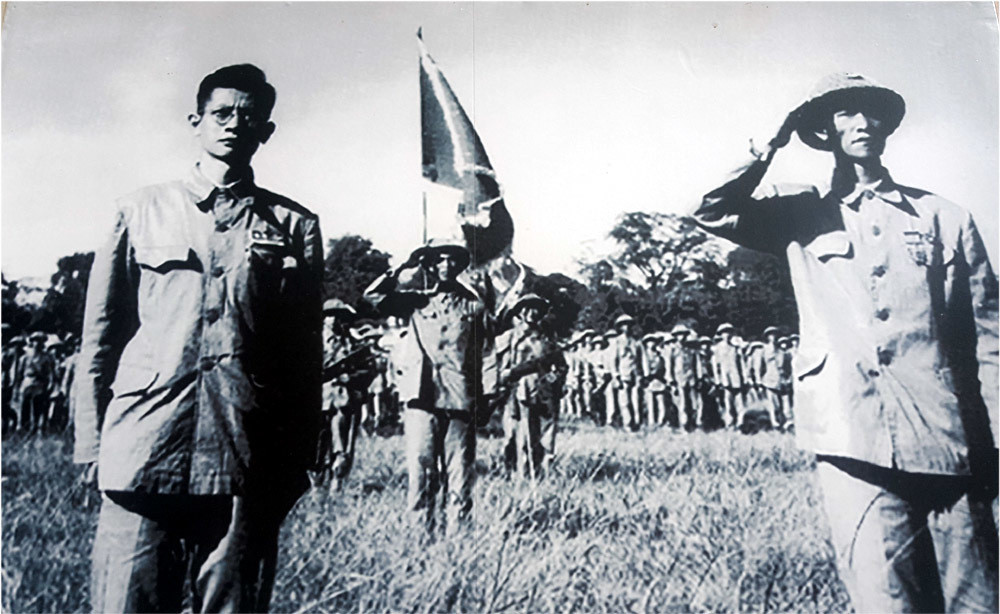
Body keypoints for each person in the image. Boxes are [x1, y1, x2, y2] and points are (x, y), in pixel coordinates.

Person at [695, 72, 998, 613]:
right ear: (821, 129)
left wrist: (994, 438)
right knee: (885, 602)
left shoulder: (944, 217)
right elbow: (713, 208)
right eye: (843, 113)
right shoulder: (797, 213)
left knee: (975, 600)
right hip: (850, 435)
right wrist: (771, 140)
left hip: (949, 438)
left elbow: (988, 338)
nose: (861, 123)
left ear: (887, 125)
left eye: (871, 112)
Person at [73, 64, 323, 613]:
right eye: (221, 113)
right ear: (197, 121)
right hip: (145, 444)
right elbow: (100, 338)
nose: (234, 125)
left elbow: (305, 355)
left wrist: (298, 455)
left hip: (244, 449)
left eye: (248, 116)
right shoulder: (140, 211)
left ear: (266, 131)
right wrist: (92, 444)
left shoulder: (295, 225)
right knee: (126, 604)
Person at [365, 238, 488, 534]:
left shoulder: (474, 305)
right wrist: (403, 267)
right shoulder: (415, 300)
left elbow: (484, 352)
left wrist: (483, 398)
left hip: (459, 397)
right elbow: (372, 297)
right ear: (429, 265)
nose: (445, 265)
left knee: (460, 472)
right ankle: (421, 537)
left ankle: (459, 538)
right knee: (421, 469)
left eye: (451, 260)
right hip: (422, 397)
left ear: (459, 266)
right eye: (438, 260)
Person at [496, 294, 566, 478]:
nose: (531, 312)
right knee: (514, 436)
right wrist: (503, 379)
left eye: (536, 308)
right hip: (515, 391)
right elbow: (495, 364)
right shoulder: (509, 337)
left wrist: (550, 380)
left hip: (543, 392)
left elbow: (561, 366)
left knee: (543, 435)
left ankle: (539, 474)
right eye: (526, 307)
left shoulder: (548, 339)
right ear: (519, 312)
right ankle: (511, 471)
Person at [18, 332, 55, 434]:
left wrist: (50, 384)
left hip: (39, 383)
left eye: (40, 341)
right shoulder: (25, 357)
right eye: (35, 341)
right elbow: (19, 373)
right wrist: (17, 387)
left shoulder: (47, 357)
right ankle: (24, 428)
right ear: (32, 342)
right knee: (24, 407)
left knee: (37, 407)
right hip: (27, 382)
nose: (37, 343)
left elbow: (51, 372)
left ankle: (35, 428)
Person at [712, 323, 744, 429]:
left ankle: (740, 423)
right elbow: (715, 366)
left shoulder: (735, 348)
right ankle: (729, 423)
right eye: (724, 332)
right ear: (720, 335)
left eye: (729, 332)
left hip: (736, 378)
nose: (727, 335)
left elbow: (741, 364)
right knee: (728, 402)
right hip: (725, 379)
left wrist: (745, 377)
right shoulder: (717, 349)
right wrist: (717, 379)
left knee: (740, 402)